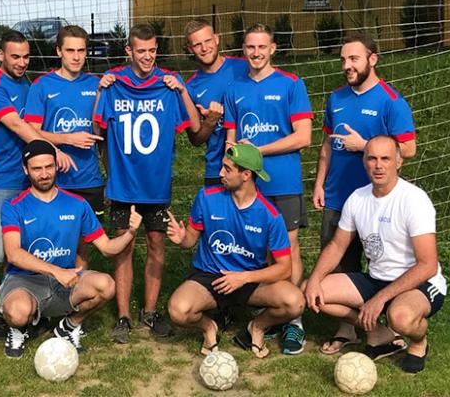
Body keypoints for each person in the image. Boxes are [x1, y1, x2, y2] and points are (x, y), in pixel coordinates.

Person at [94, 23, 201, 344]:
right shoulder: (114, 83)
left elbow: (194, 126)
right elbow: (96, 127)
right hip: (123, 187)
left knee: (157, 248)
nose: (148, 57)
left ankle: (150, 312)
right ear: (129, 51)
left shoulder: (168, 84)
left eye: (153, 50)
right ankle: (124, 316)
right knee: (122, 249)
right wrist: (101, 90)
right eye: (141, 51)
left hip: (156, 188)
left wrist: (181, 90)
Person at [312, 32, 416, 355]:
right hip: (337, 197)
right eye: (343, 59)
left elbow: (408, 148)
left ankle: (386, 323)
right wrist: (319, 182)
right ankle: (350, 329)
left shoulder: (391, 101)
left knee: (371, 265)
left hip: (374, 201)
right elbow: (327, 143)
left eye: (354, 59)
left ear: (373, 59)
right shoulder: (336, 98)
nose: (347, 65)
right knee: (337, 265)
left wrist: (364, 147)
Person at [305, 136, 445, 374]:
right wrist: (315, 280)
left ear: (398, 162)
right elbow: (337, 246)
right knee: (314, 292)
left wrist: (380, 299)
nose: (378, 165)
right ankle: (378, 334)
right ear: (364, 161)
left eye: (385, 159)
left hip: (419, 283)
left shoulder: (414, 200)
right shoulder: (358, 198)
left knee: (400, 317)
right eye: (372, 158)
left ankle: (419, 343)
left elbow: (428, 265)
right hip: (377, 278)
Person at [0, 140, 141, 358]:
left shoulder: (77, 204)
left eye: (49, 166)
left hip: (64, 282)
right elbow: (13, 254)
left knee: (106, 285)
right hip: (24, 281)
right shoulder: (13, 206)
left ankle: (68, 326)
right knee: (17, 313)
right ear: (25, 170)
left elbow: (107, 248)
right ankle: (17, 330)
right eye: (37, 168)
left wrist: (130, 233)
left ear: (56, 166)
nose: (44, 174)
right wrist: (56, 271)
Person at [166, 144, 304, 358]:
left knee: (295, 302)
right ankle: (209, 327)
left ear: (246, 175)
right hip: (209, 277)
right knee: (178, 310)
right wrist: (181, 238)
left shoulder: (270, 215)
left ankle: (256, 327)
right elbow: (190, 240)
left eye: (228, 169)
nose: (220, 173)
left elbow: (285, 269)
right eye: (222, 167)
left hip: (248, 280)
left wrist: (243, 278)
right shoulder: (206, 197)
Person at [224, 23, 312, 354]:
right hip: (248, 185)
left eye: (262, 47)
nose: (256, 53)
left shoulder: (291, 84)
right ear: (243, 50)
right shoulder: (235, 89)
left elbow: (303, 137)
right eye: (250, 47)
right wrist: (233, 164)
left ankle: (294, 321)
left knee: (288, 249)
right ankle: (273, 311)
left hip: (283, 180)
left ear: (273, 48)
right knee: (257, 248)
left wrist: (259, 150)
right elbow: (230, 143)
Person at [0, 30, 53, 341]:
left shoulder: (26, 84)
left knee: (20, 248)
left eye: (26, 56)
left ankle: (24, 307)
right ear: (0, 56)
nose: (21, 62)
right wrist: (52, 149)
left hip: (26, 178)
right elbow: (19, 126)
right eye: (15, 57)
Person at [25, 25, 105, 271]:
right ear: (59, 50)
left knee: (82, 242)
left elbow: (103, 133)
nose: (76, 56)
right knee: (54, 240)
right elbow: (31, 131)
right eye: (70, 50)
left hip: (89, 177)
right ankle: (47, 291)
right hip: (55, 178)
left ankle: (77, 294)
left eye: (81, 50)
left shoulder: (97, 85)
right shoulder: (42, 85)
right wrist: (68, 139)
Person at [184, 19, 248, 187]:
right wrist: (210, 121)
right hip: (217, 170)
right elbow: (196, 140)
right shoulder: (190, 88)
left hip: (252, 164)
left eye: (208, 41)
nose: (204, 48)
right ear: (190, 49)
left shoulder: (244, 67)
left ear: (217, 39)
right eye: (197, 45)